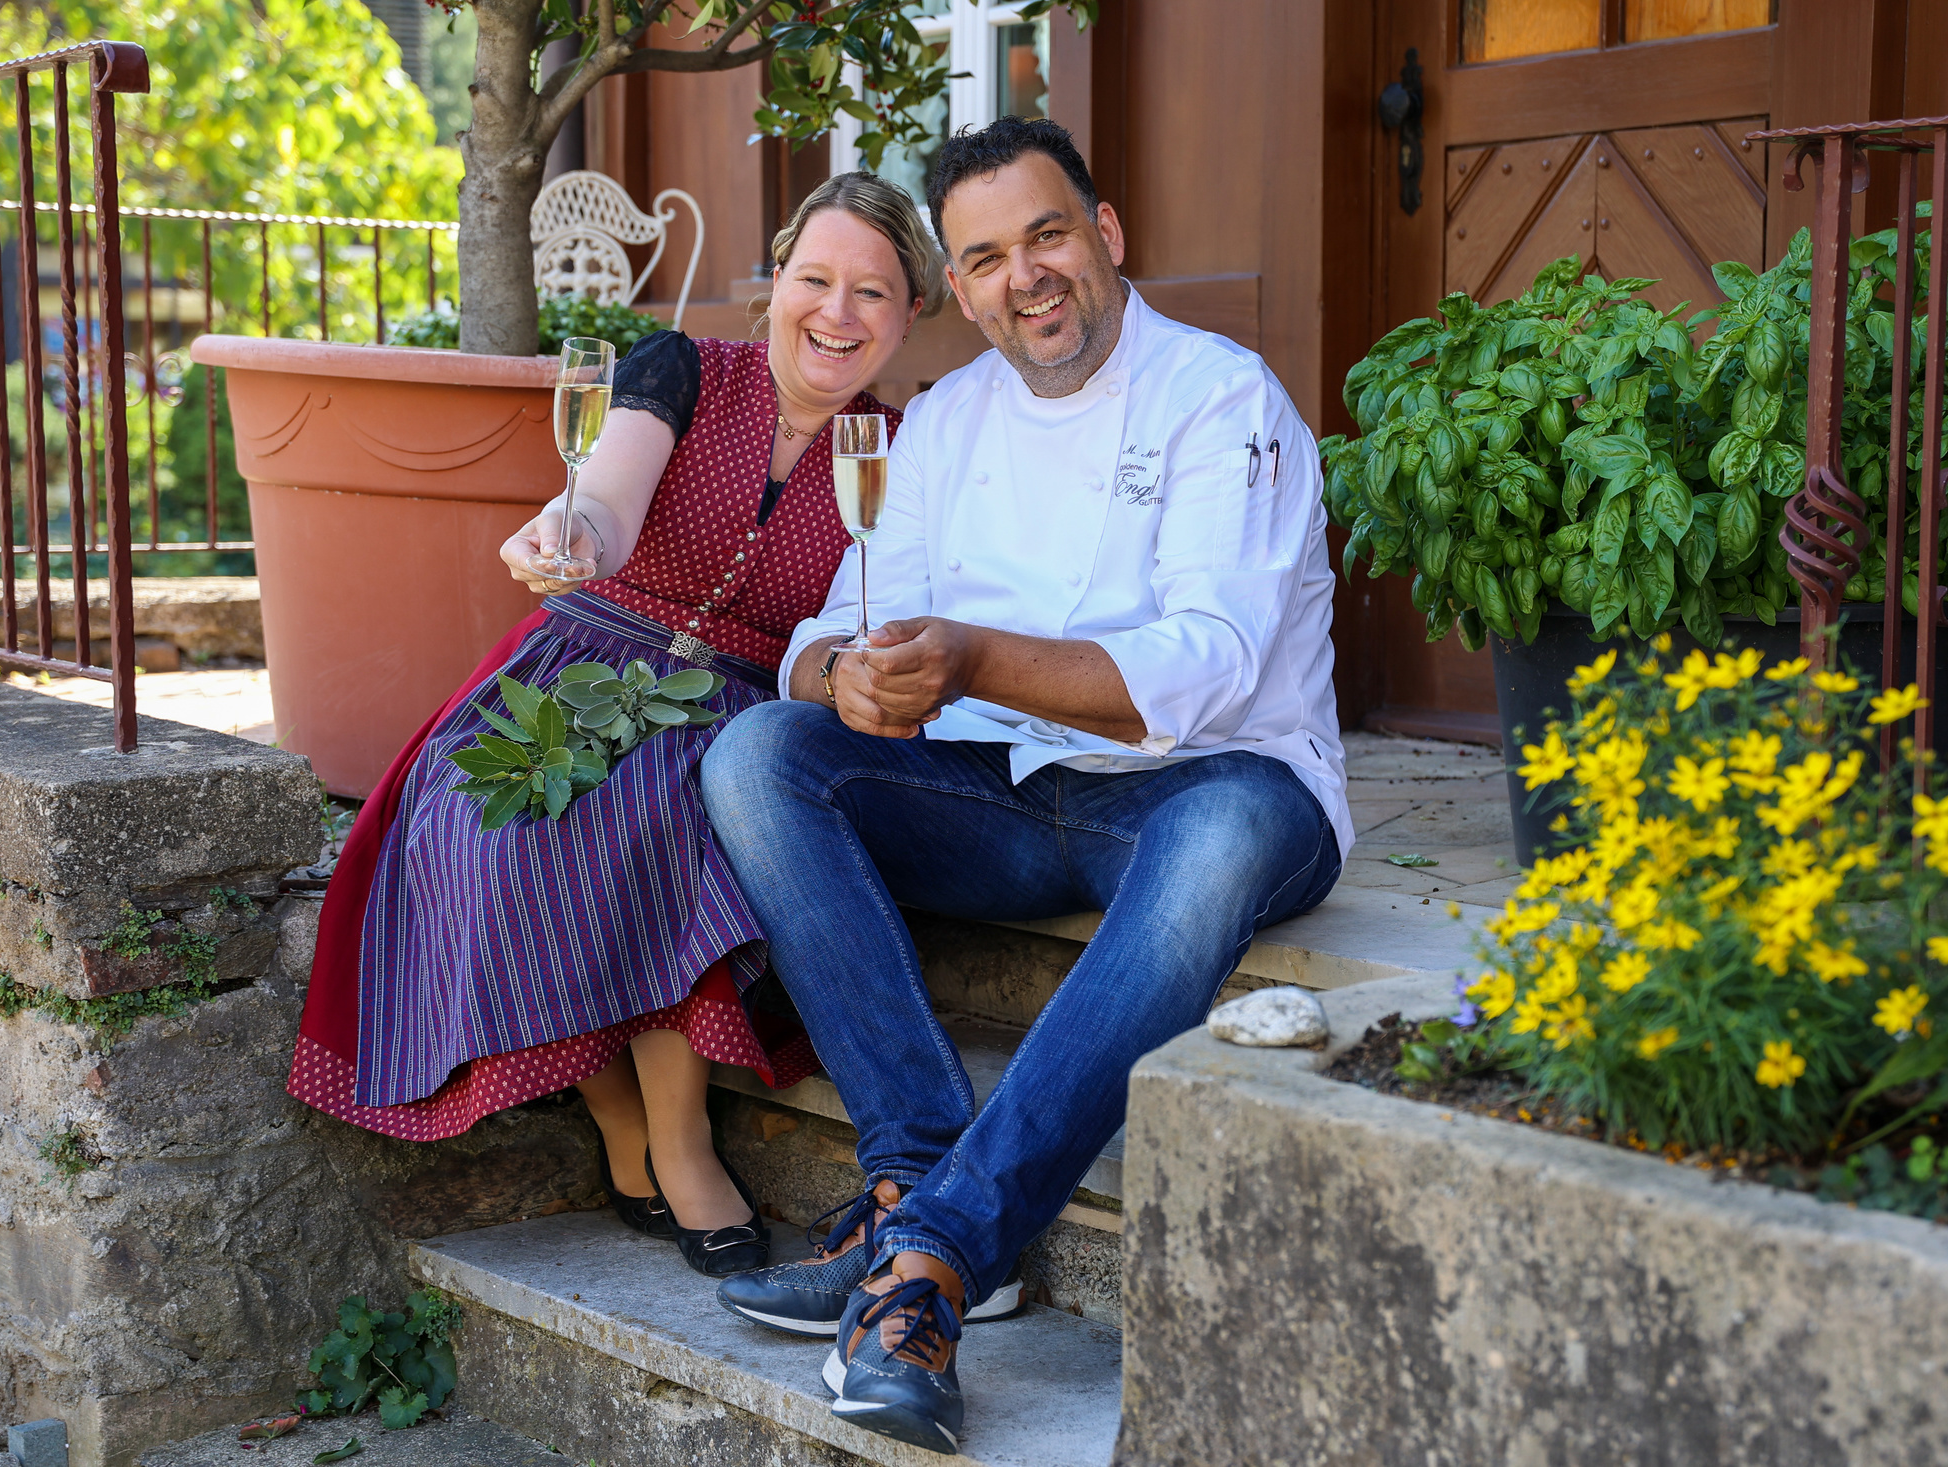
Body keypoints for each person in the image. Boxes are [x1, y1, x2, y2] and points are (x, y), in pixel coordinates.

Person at [700, 118, 1352, 1453]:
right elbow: (833, 623)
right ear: (962, 282)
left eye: (1047, 235)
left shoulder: (1220, 397)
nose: (1026, 277)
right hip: (1004, 791)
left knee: (1218, 839)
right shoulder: (947, 420)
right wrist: (842, 678)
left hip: (1212, 785)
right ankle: (914, 1173)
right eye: (987, 258)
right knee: (757, 753)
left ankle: (936, 1256)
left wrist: (975, 656)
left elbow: (1210, 668)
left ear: (1104, 234)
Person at [287, 172, 943, 1278]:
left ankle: (680, 1143)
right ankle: (619, 1119)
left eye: (872, 292)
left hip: (743, 701)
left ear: (909, 313)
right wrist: (571, 528)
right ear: (775, 282)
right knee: (486, 819)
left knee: (656, 811)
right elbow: (608, 496)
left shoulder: (901, 446)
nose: (837, 313)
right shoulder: (681, 367)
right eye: (815, 279)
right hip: (591, 656)